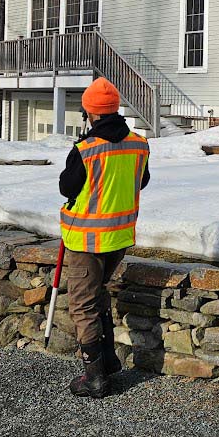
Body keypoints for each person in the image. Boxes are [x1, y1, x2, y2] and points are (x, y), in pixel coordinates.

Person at [58, 77, 150, 398]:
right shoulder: (139, 144)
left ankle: (94, 378)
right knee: (99, 293)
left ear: (90, 112)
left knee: (83, 305)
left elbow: (67, 188)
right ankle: (108, 359)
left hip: (85, 240)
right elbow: (143, 180)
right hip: (119, 237)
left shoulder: (85, 150)